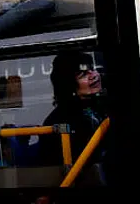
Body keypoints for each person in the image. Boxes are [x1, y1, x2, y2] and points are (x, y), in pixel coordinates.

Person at [42, 52, 107, 183]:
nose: (93, 76)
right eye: (83, 75)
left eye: (92, 69)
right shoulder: (58, 121)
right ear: (69, 85)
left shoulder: (103, 107)